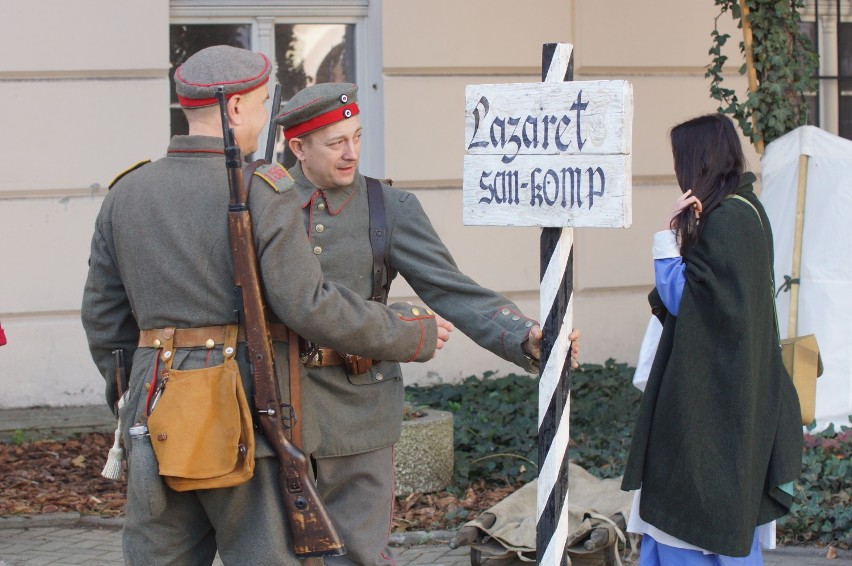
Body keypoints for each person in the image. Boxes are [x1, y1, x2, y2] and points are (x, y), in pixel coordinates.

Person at [81, 46, 452, 566]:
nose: (262, 119)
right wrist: (408, 332)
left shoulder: (126, 194)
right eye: (259, 104)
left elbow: (104, 320)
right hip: (243, 415)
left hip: (156, 409)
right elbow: (309, 305)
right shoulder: (265, 188)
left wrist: (135, 395)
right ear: (234, 110)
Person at [272, 82, 581, 565]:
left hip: (360, 406)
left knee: (358, 554)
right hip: (277, 401)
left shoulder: (388, 208)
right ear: (297, 147)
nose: (352, 152)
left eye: (356, 136)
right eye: (336, 143)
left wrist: (521, 333)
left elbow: (449, 287)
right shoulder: (268, 205)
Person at [621, 114, 802, 565]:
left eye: (681, 158)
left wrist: (667, 239)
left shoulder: (727, 220)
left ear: (698, 159)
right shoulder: (747, 210)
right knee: (718, 508)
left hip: (711, 399)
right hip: (736, 387)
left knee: (692, 504)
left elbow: (688, 300)